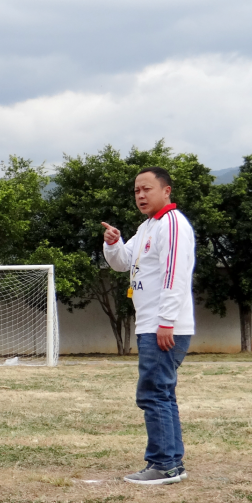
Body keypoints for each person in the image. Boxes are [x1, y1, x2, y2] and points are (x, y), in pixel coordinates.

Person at [103, 167, 195, 485]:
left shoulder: (171, 223)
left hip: (163, 325)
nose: (141, 195)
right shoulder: (147, 227)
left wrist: (166, 322)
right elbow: (124, 263)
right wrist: (114, 243)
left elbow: (174, 275)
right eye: (136, 191)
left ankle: (164, 464)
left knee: (154, 393)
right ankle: (171, 463)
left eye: (147, 189)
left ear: (166, 191)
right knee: (161, 392)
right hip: (152, 324)